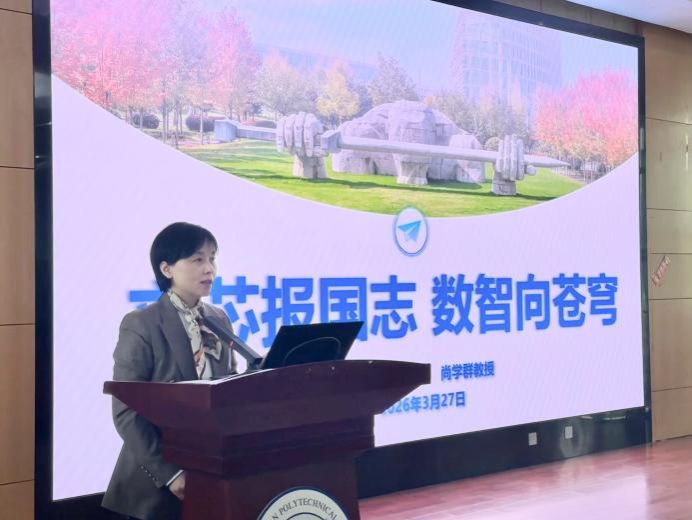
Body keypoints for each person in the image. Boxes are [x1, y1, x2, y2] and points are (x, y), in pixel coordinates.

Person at [102, 222, 237, 520]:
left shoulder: (219, 319)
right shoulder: (142, 324)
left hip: (212, 473)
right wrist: (171, 474)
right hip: (157, 486)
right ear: (166, 269)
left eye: (212, 258)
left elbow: (230, 389)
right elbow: (126, 410)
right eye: (197, 259)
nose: (209, 269)